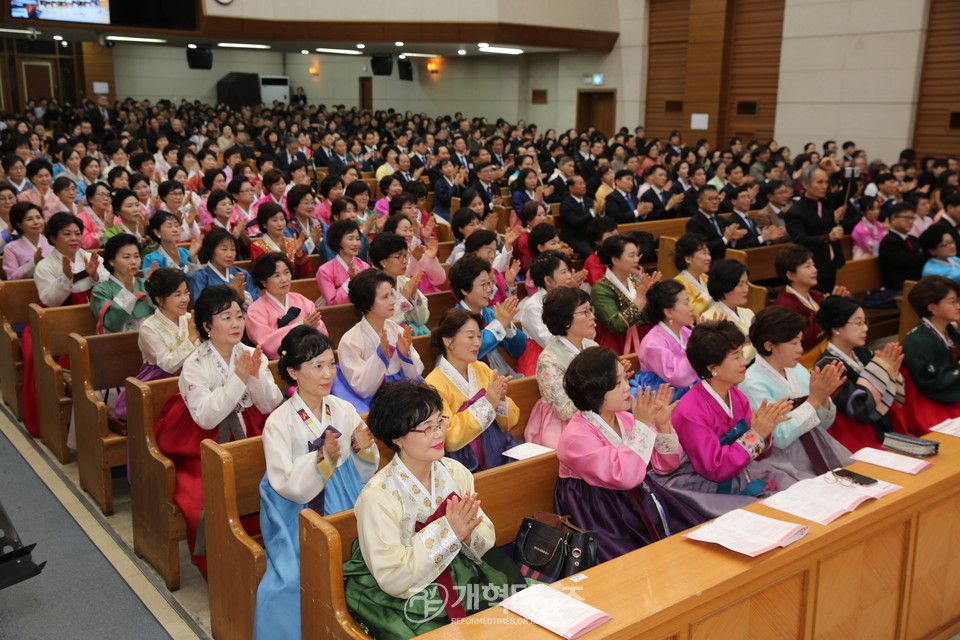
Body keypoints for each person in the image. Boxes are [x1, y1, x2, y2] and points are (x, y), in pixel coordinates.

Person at [343, 380, 526, 640]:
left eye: (440, 421)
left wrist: (465, 533)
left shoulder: (455, 473)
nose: (439, 433)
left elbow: (485, 536)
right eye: (426, 428)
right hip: (405, 595)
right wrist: (448, 532)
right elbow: (392, 575)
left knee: (517, 622)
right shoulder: (378, 496)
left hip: (463, 573)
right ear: (397, 437)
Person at [253, 326, 379, 640]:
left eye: (331, 364)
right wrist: (322, 460)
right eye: (317, 366)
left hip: (346, 496)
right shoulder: (278, 422)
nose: (328, 374)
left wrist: (360, 447)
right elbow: (284, 483)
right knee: (294, 577)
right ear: (293, 372)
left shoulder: (342, 408)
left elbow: (364, 468)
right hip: (297, 510)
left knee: (374, 551)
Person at [154, 285, 283, 577]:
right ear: (206, 326)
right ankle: (223, 565)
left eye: (239, 316)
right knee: (203, 497)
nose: (236, 323)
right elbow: (207, 419)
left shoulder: (249, 353)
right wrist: (238, 378)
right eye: (225, 317)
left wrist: (254, 378)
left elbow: (269, 404)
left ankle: (274, 550)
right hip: (206, 445)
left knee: (276, 480)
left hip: (250, 432)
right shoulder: (195, 364)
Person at [556, 347, 704, 562]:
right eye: (617, 384)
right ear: (595, 391)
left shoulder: (625, 419)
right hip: (599, 514)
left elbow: (667, 465)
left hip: (636, 501)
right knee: (638, 565)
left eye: (626, 379)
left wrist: (661, 425)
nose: (628, 388)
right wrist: (643, 425)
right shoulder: (575, 437)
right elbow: (624, 478)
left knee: (693, 541)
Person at [653, 320, 795, 518]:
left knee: (793, 490)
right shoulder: (690, 411)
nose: (744, 362)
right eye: (736, 356)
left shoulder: (737, 397)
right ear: (712, 367)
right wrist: (756, 434)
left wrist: (764, 430)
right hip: (701, 485)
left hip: (737, 473)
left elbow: (755, 454)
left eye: (741, 353)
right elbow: (714, 468)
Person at [21, 212, 109, 436]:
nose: (74, 238)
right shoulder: (45, 266)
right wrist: (65, 279)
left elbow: (108, 284)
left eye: (77, 233)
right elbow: (50, 300)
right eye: (66, 234)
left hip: (89, 320)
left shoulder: (89, 258)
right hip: (54, 323)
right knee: (36, 357)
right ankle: (48, 419)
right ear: (53, 237)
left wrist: (95, 277)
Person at [740, 306, 852, 479]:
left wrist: (823, 399)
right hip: (780, 462)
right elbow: (779, 437)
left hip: (817, 448)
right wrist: (814, 400)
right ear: (769, 345)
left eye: (800, 341)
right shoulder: (752, 382)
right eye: (793, 343)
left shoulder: (797, 369)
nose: (800, 348)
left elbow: (823, 425)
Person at [425, 309, 519, 472]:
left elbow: (509, 424)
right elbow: (450, 439)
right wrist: (488, 403)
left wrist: (501, 399)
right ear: (448, 341)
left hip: (498, 449)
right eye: (470, 336)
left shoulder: (482, 368)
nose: (477, 343)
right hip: (463, 463)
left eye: (479, 336)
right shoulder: (433, 385)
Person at [813, 296, 905, 451]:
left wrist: (890, 371)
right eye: (858, 323)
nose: (865, 328)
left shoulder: (860, 351)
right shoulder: (828, 366)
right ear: (837, 328)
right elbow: (858, 409)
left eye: (865, 322)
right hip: (855, 437)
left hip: (881, 428)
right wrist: (881, 370)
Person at [114, 268, 201, 420]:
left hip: (193, 379)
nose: (185, 299)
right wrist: (191, 338)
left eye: (186, 292)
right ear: (159, 299)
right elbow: (168, 365)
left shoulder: (189, 318)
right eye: (177, 295)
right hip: (161, 385)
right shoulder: (149, 328)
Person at [333, 269, 424, 413]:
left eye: (392, 294)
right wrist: (380, 355)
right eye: (385, 297)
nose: (393, 301)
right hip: (374, 402)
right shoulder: (350, 341)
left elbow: (414, 378)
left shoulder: (397, 331)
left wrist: (405, 355)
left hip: (404, 396)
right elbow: (363, 389)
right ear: (367, 303)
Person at [525, 287, 598, 447]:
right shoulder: (549, 359)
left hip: (594, 413)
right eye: (585, 312)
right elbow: (564, 411)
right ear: (565, 321)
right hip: (562, 425)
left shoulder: (591, 345)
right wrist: (601, 393)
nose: (592, 316)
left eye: (590, 310)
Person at [890, 276, 960, 434]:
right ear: (932, 308)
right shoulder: (918, 341)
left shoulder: (950, 331)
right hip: (931, 404)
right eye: (952, 301)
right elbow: (932, 382)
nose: (958, 306)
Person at [449, 254, 527, 378]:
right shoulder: (455, 320)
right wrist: (499, 324)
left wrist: (507, 326)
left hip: (503, 376)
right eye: (483, 285)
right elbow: (472, 351)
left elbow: (518, 349)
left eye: (489, 284)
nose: (489, 290)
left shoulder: (491, 313)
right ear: (464, 290)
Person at [245, 252, 327, 359]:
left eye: (286, 272)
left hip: (309, 357)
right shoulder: (255, 310)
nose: (284, 279)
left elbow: (321, 333)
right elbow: (266, 344)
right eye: (277, 275)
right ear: (264, 282)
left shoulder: (302, 300)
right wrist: (300, 326)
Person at [591, 234, 659, 355]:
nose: (636, 260)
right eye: (631, 255)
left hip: (645, 339)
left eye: (637, 255)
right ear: (615, 259)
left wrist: (655, 295)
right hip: (616, 346)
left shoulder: (635, 282)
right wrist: (640, 299)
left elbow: (649, 317)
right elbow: (616, 326)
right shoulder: (601, 288)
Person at [516, 250, 581, 375]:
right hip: (543, 357)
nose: (569, 276)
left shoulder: (571, 299)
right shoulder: (533, 306)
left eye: (568, 270)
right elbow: (547, 340)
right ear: (548, 280)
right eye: (563, 272)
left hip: (572, 349)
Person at [772, 245, 838, 368]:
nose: (814, 270)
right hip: (806, 366)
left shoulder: (817, 296)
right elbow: (805, 339)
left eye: (813, 265)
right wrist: (826, 310)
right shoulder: (784, 304)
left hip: (829, 357)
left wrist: (837, 304)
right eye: (807, 266)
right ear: (791, 275)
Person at [785, 164, 846, 293]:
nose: (824, 186)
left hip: (832, 262)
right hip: (814, 264)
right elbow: (800, 239)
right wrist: (828, 237)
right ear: (806, 185)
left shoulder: (825, 200)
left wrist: (837, 171)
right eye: (819, 182)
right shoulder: (795, 212)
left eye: (826, 182)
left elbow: (850, 190)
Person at [636, 279, 698, 396]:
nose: (691, 308)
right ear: (669, 312)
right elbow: (679, 377)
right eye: (686, 303)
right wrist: (697, 342)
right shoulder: (652, 344)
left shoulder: (686, 332)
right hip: (664, 401)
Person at [90, 233, 154, 333]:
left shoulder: (145, 283)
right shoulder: (100, 291)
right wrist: (127, 292)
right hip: (119, 344)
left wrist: (158, 288)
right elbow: (112, 324)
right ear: (111, 261)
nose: (133, 261)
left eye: (136, 256)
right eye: (126, 257)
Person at [368, 231, 430, 335]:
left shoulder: (404, 281)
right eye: (399, 257)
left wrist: (414, 295)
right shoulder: (372, 286)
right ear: (383, 261)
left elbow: (422, 320)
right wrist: (405, 297)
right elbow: (384, 326)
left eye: (406, 255)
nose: (405, 261)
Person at [700, 259, 756, 362]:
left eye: (747, 283)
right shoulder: (709, 318)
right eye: (740, 285)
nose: (746, 289)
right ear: (725, 286)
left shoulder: (748, 312)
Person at [187, 228, 260, 305]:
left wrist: (243, 296)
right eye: (224, 249)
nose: (230, 254)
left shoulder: (242, 274)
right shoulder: (200, 277)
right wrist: (232, 293)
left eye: (233, 249)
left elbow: (257, 301)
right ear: (211, 250)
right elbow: (200, 306)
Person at [315, 219, 370, 306]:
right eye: (350, 238)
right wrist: (351, 280)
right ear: (338, 241)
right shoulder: (324, 271)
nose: (355, 243)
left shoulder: (365, 266)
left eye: (357, 238)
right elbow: (333, 303)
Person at [248, 202, 311, 277]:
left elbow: (304, 274)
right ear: (264, 224)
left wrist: (299, 253)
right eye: (275, 220)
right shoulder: (257, 247)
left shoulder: (292, 242)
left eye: (282, 219)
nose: (280, 224)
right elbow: (262, 275)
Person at [878, 202, 924, 293]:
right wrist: (925, 253)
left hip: (915, 283)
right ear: (894, 219)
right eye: (907, 218)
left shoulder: (912, 239)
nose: (911, 221)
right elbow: (908, 262)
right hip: (900, 287)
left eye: (912, 218)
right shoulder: (889, 242)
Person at [4, 201, 52, 279]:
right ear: (19, 224)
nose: (36, 222)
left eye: (38, 217)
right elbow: (11, 278)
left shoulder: (51, 242)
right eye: (29, 219)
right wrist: (33, 263)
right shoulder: (11, 248)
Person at [672, 233, 713, 317]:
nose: (709, 258)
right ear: (688, 259)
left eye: (708, 253)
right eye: (704, 253)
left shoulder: (706, 278)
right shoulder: (678, 284)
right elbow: (693, 312)